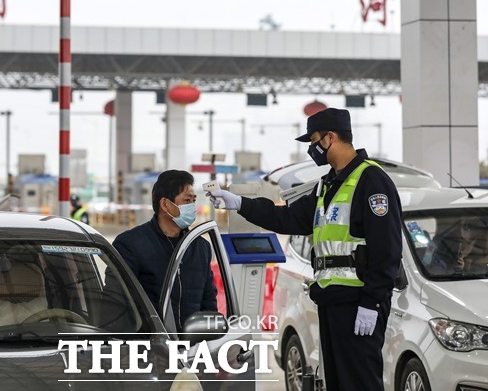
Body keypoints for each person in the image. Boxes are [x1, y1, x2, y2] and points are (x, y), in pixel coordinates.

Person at [208, 108, 402, 391]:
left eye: (314, 141)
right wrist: (239, 203)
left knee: (359, 382)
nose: (312, 149)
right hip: (331, 300)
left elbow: (387, 249)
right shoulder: (328, 184)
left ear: (330, 137)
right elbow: (288, 217)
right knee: (337, 383)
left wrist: (371, 302)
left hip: (358, 302)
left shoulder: (371, 181)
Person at [112, 170, 217, 331]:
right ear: (165, 204)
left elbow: (208, 301)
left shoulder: (200, 247)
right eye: (187, 200)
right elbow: (117, 302)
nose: (192, 207)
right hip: (151, 348)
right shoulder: (131, 244)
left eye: (193, 201)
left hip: (192, 349)